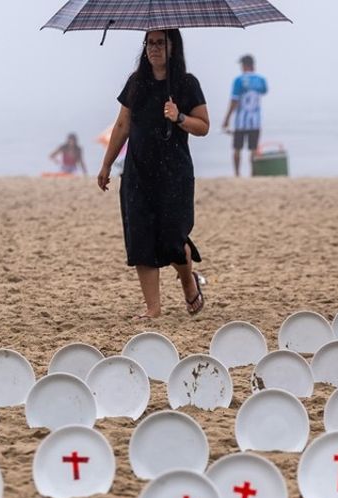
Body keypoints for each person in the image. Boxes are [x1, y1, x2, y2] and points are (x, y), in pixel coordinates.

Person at [98, 29, 210, 320]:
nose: (154, 49)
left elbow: (203, 126)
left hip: (174, 174)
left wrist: (180, 117)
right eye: (150, 43)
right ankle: (153, 308)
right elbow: (122, 125)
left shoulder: (186, 84)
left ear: (173, 46)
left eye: (161, 43)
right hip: (137, 172)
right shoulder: (136, 83)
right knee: (140, 238)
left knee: (173, 239)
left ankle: (188, 280)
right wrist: (107, 164)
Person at [221, 54, 268, 177]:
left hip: (240, 121)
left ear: (245, 65)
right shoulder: (261, 80)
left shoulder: (239, 80)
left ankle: (237, 173)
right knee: (253, 149)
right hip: (256, 120)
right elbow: (264, 92)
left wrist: (226, 119)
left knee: (237, 149)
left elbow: (234, 101)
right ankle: (253, 173)